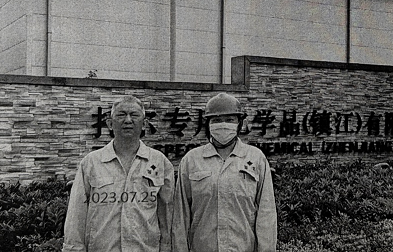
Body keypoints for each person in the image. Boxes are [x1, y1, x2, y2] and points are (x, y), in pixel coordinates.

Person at [63, 95, 174, 252]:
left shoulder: (160, 162)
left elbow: (168, 215)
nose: (128, 120)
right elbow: (76, 215)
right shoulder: (91, 163)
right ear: (110, 123)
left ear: (144, 124)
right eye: (121, 115)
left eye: (134, 115)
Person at [172, 93, 277, 252]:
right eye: (216, 120)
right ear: (208, 124)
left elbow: (266, 213)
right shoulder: (191, 161)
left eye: (230, 120)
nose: (223, 125)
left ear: (240, 123)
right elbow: (180, 217)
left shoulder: (256, 158)